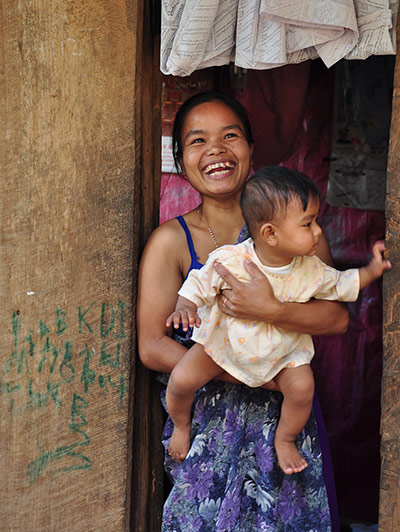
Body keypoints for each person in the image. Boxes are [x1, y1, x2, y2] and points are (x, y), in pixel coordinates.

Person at [137, 91, 351, 531]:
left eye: (230, 135)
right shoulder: (170, 242)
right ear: (180, 160)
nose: (215, 149)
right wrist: (253, 372)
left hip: (284, 427)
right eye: (197, 141)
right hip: (208, 425)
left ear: (252, 150)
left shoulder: (297, 235)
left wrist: (270, 309)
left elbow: (336, 318)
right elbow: (152, 346)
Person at [165, 166, 390, 476]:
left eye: (316, 221)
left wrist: (372, 271)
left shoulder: (311, 269)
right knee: (180, 381)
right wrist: (183, 307)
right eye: (308, 223)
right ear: (270, 233)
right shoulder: (231, 259)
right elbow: (197, 285)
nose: (318, 232)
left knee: (302, 389)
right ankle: (180, 424)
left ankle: (285, 440)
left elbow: (342, 283)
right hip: (224, 345)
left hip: (282, 354)